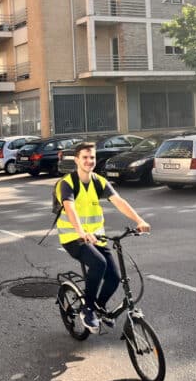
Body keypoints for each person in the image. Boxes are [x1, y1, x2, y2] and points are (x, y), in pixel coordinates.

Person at [56, 141, 150, 333]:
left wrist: (139, 220)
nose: (89, 161)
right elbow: (70, 207)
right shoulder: (67, 183)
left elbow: (119, 201)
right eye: (85, 157)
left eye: (92, 157)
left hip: (97, 237)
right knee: (99, 264)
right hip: (74, 237)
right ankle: (88, 309)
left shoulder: (99, 181)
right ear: (76, 160)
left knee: (114, 277)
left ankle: (98, 307)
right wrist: (81, 232)